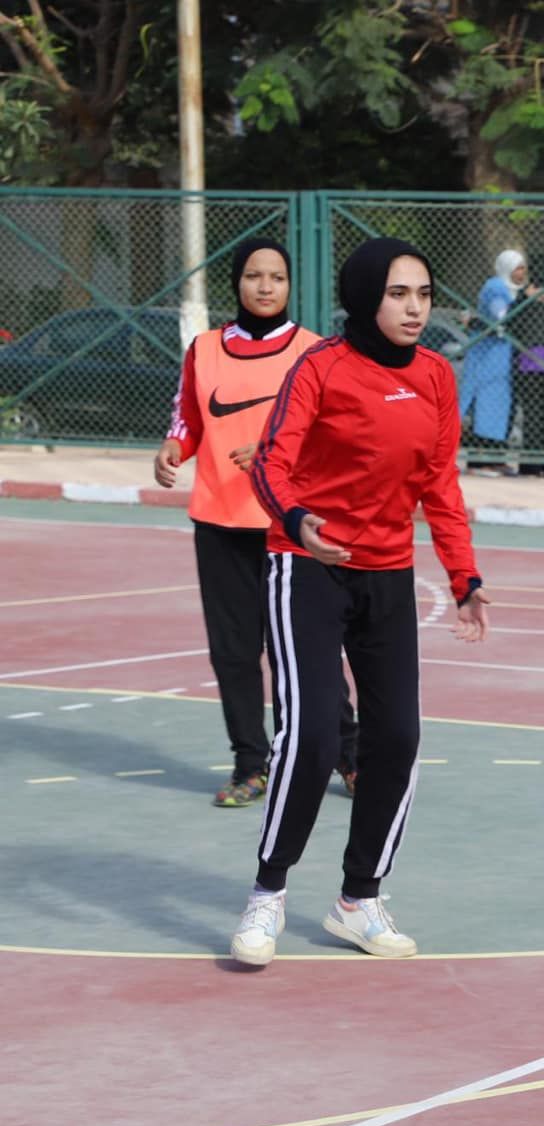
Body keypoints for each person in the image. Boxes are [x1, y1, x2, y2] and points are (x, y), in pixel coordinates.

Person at [235, 238, 491, 967]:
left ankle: (359, 900)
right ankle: (267, 893)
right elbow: (273, 463)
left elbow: (441, 485)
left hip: (386, 575)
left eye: (423, 294)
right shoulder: (321, 369)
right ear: (364, 297)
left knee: (398, 740)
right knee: (313, 735)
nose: (414, 308)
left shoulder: (438, 377)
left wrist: (465, 577)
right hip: (306, 567)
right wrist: (296, 523)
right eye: (398, 294)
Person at [153, 236, 359, 808]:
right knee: (234, 650)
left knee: (307, 647)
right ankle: (251, 763)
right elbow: (188, 416)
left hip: (290, 525)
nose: (266, 286)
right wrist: (174, 446)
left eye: (277, 277)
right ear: (236, 283)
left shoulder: (318, 352)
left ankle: (349, 754)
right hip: (219, 521)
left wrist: (272, 452)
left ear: (291, 286)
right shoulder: (206, 348)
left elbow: (337, 435)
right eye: (254, 276)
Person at [458, 249, 522, 471]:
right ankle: (483, 459)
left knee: (497, 406)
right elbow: (501, 316)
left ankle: (492, 458)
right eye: (518, 268)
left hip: (501, 354)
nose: (522, 273)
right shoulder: (496, 287)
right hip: (490, 355)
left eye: (523, 268)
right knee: (488, 403)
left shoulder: (512, 289)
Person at [511, 251, 544, 478]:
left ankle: (531, 465)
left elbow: (513, 322)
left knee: (533, 412)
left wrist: (524, 297)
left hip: (530, 360)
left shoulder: (526, 297)